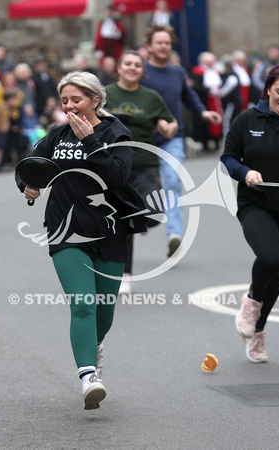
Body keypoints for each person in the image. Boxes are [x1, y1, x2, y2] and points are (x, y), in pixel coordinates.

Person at [16, 70, 147, 409]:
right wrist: (28, 187)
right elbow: (31, 166)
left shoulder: (117, 132)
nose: (70, 107)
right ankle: (89, 377)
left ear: (95, 100)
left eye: (77, 100)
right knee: (84, 304)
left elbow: (118, 176)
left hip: (109, 230)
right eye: (65, 102)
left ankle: (93, 347)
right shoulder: (57, 134)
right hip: (66, 230)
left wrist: (91, 141)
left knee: (104, 314)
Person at [220, 64, 279, 363]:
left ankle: (258, 333)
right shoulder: (248, 119)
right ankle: (252, 301)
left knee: (277, 277)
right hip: (256, 203)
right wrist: (245, 173)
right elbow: (228, 157)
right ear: (268, 90)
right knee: (271, 257)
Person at [142, 24, 222, 257]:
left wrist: (204, 113)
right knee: (143, 187)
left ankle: (174, 235)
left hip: (173, 138)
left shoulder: (177, 73)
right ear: (149, 46)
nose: (164, 46)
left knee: (172, 181)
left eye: (167, 42)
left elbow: (189, 96)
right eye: (159, 42)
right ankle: (142, 219)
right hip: (146, 139)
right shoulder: (142, 73)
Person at [105, 50, 178, 293]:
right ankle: (126, 274)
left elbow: (170, 121)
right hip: (115, 165)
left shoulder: (151, 97)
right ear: (119, 67)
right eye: (128, 63)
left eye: (137, 65)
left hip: (145, 162)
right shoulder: (104, 94)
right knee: (123, 220)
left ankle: (139, 222)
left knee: (156, 212)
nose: (132, 68)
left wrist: (169, 128)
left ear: (142, 70)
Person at [189, 51, 223, 151]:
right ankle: (204, 143)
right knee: (203, 123)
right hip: (204, 99)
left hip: (215, 100)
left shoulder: (214, 71)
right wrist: (208, 89)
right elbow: (196, 86)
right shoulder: (196, 71)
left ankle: (216, 141)